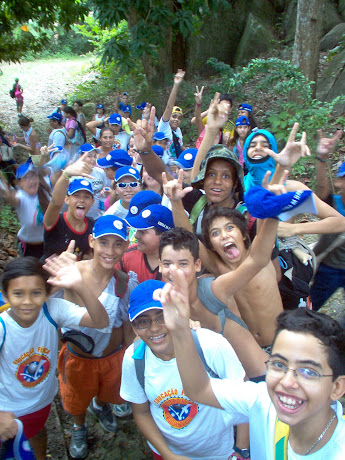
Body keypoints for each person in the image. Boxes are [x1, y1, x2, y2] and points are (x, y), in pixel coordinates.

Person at [158, 273, 345, 460]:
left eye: (307, 372)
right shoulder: (264, 401)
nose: (287, 382)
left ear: (336, 388)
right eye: (279, 364)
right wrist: (180, 331)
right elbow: (200, 390)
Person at [120, 279, 247, 460]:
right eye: (143, 322)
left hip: (220, 453)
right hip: (167, 451)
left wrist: (241, 450)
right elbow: (141, 412)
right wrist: (168, 455)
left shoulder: (210, 345)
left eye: (161, 316)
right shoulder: (134, 359)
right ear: (134, 328)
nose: (155, 328)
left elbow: (245, 398)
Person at [0, 254, 109, 460]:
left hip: (42, 401)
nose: (27, 302)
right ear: (5, 296)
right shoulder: (3, 327)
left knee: (37, 431)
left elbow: (101, 321)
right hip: (6, 408)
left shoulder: (52, 311)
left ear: (47, 294)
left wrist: (80, 285)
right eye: (18, 294)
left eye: (36, 293)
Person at [58, 215, 137, 458]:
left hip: (112, 357)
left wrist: (131, 356)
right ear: (91, 241)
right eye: (104, 242)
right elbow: (47, 307)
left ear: (125, 246)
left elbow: (126, 324)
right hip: (78, 358)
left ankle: (101, 406)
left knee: (108, 393)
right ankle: (78, 426)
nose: (110, 251)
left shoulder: (124, 282)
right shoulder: (71, 273)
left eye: (117, 244)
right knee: (76, 399)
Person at [307, 130, 345, 310]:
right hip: (330, 268)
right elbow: (322, 188)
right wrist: (322, 157)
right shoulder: (334, 205)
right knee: (313, 305)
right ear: (339, 182)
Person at [42, 155, 95, 260]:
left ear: (92, 202)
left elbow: (88, 254)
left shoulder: (91, 224)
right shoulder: (55, 221)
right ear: (67, 199)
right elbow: (55, 204)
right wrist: (66, 175)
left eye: (86, 197)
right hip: (49, 273)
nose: (82, 200)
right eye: (76, 195)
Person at [0, 159, 51, 258]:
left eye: (33, 176)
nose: (31, 181)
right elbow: (11, 198)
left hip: (48, 242)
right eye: (26, 178)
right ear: (19, 183)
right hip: (28, 245)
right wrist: (3, 185)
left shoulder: (44, 191)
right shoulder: (21, 196)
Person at [117, 203, 174, 283]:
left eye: (143, 232)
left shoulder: (179, 263)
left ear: (164, 236)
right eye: (137, 230)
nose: (136, 235)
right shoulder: (125, 256)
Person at [158, 69, 185, 161]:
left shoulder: (178, 131)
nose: (176, 119)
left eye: (179, 118)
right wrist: (176, 85)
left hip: (176, 166)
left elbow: (180, 147)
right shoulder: (164, 127)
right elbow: (169, 107)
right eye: (174, 116)